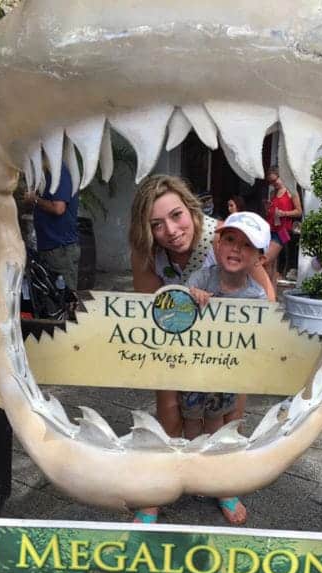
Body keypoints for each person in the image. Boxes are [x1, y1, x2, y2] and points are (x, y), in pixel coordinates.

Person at [129, 175, 274, 524]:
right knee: (170, 412)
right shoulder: (148, 252)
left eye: (176, 215)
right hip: (176, 342)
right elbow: (150, 311)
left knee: (228, 414)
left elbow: (266, 299)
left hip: (227, 348)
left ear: (191, 209)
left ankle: (223, 482)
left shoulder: (226, 237)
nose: (171, 229)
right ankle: (159, 489)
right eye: (156, 224)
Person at [179, 212, 270, 525]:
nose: (236, 249)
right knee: (190, 422)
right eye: (230, 239)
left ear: (259, 257)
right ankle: (193, 472)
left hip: (227, 376)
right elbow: (179, 305)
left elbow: (258, 340)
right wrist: (194, 296)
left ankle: (220, 484)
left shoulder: (257, 297)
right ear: (217, 244)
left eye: (247, 245)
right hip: (192, 370)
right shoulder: (202, 278)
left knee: (218, 424)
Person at [24, 162, 80, 297]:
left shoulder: (59, 174)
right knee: (52, 294)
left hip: (60, 248)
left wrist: (35, 199)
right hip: (51, 247)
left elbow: (58, 208)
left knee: (65, 296)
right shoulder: (48, 176)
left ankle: (67, 317)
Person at [264, 166, 302, 288]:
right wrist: (267, 208)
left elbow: (299, 211)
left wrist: (284, 213)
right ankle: (271, 291)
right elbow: (271, 212)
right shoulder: (273, 193)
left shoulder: (291, 191)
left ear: (282, 177)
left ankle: (271, 285)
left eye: (275, 180)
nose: (273, 184)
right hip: (272, 228)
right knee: (272, 264)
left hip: (284, 230)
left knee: (269, 258)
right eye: (271, 182)